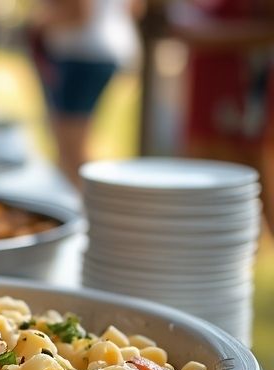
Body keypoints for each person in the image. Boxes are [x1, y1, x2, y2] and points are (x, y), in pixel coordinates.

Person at [168, 0, 274, 232]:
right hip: (208, 97)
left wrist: (204, 34)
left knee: (252, 185)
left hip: (245, 101)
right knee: (202, 194)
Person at [30, 0, 145, 188]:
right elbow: (136, 8)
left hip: (81, 55)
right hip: (101, 50)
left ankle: (87, 205)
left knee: (72, 147)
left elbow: (80, 13)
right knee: (72, 145)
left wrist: (39, 22)